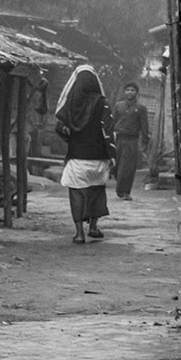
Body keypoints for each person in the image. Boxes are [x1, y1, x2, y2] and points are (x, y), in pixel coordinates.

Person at [54, 64, 115, 243]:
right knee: (96, 192)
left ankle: (79, 233)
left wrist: (71, 138)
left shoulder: (70, 105)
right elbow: (108, 130)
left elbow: (59, 127)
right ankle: (94, 227)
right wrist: (112, 154)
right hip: (99, 158)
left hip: (77, 158)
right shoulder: (102, 103)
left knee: (77, 194)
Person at [111, 81, 147, 200]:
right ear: (124, 92)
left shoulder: (141, 108)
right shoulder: (118, 106)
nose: (130, 92)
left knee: (128, 167)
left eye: (132, 90)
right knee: (116, 166)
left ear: (136, 93)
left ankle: (124, 192)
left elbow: (144, 126)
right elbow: (113, 122)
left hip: (132, 140)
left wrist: (144, 142)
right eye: (128, 90)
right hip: (118, 139)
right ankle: (120, 186)